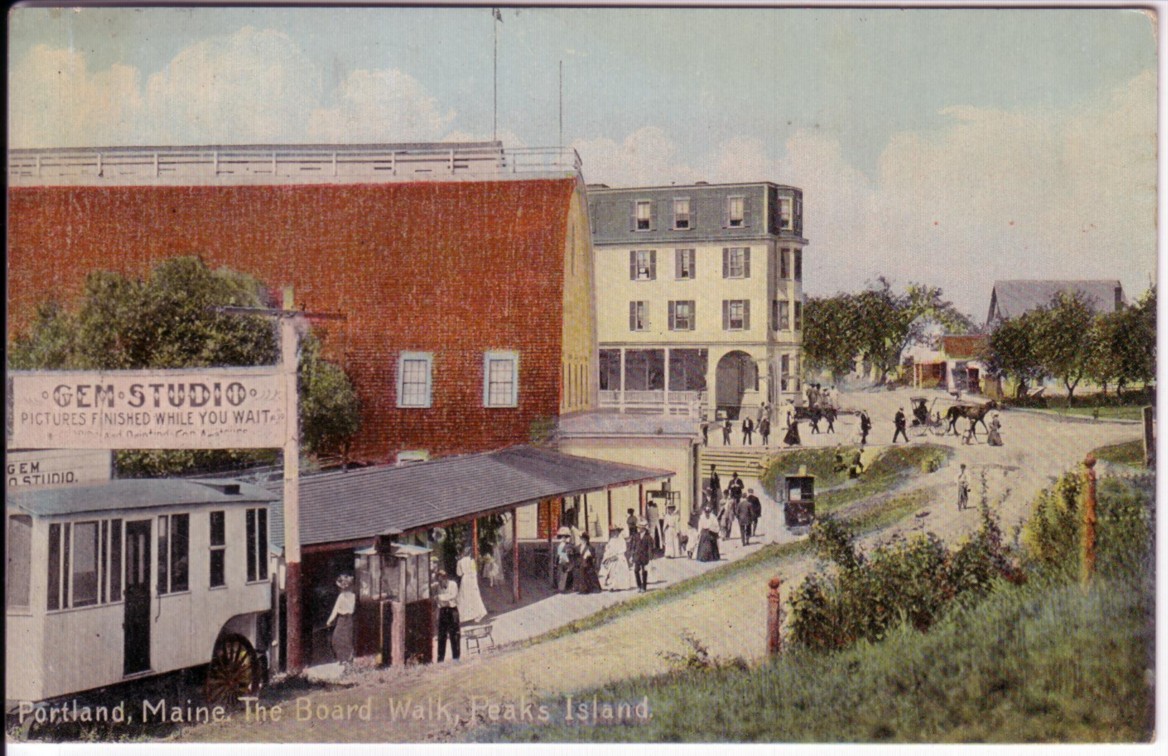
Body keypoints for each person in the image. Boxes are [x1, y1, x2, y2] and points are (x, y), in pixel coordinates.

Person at [326, 573, 356, 666]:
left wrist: (330, 620)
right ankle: (344, 659)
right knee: (342, 639)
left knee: (341, 639)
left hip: (345, 619)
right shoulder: (348, 596)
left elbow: (336, 610)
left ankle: (345, 659)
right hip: (346, 619)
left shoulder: (345, 596)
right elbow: (349, 609)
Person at [456, 547, 488, 623]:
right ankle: (478, 614)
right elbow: (474, 572)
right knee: (474, 596)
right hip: (472, 579)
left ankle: (464, 616)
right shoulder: (472, 561)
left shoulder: (460, 562)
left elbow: (459, 573)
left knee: (464, 597)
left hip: (465, 580)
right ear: (470, 553)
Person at [435, 569, 460, 662]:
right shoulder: (438, 587)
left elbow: (453, 596)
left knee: (454, 634)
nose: (441, 583)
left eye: (442, 580)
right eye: (439, 581)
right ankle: (440, 659)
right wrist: (442, 599)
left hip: (452, 610)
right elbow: (439, 600)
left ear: (446, 579)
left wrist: (443, 598)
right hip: (443, 611)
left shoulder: (453, 585)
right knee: (441, 635)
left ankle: (456, 658)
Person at [631, 520, 653, 592]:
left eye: (640, 528)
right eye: (638, 527)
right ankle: (639, 586)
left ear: (643, 528)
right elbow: (633, 546)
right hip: (637, 556)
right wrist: (632, 555)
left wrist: (650, 558)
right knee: (636, 570)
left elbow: (650, 548)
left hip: (644, 556)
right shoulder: (636, 536)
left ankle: (644, 587)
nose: (638, 529)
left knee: (644, 571)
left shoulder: (648, 537)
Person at [554, 527, 576, 592]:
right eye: (561, 537)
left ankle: (564, 588)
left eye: (565, 537)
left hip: (566, 562)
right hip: (560, 561)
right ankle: (559, 587)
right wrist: (556, 562)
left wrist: (568, 560)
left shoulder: (568, 546)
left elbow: (570, 555)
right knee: (559, 575)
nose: (563, 538)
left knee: (565, 575)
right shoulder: (559, 545)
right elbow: (557, 554)